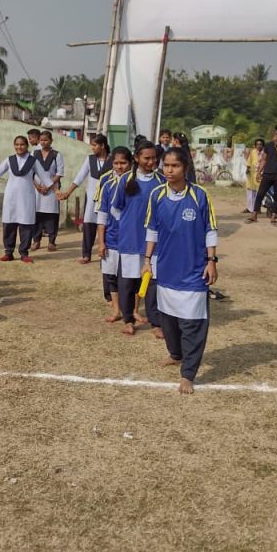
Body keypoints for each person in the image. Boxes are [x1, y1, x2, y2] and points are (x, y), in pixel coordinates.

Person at [144, 146, 218, 394]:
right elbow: (152, 229)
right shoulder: (157, 195)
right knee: (168, 319)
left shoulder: (200, 195)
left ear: (185, 167)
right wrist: (147, 259)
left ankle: (188, 373)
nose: (169, 170)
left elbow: (210, 230)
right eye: (166, 165)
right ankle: (175, 354)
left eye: (174, 166)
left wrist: (211, 260)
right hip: (166, 269)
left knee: (192, 325)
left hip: (194, 271)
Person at [109, 140, 161, 336]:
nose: (151, 162)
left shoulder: (161, 181)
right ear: (137, 158)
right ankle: (128, 320)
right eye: (147, 158)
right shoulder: (126, 180)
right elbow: (115, 209)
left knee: (152, 284)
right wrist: (128, 224)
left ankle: (156, 323)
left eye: (154, 158)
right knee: (128, 284)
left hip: (154, 243)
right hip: (130, 241)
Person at [0, 135, 52, 263]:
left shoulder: (33, 161)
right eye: (17, 144)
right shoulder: (9, 160)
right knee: (9, 224)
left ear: (27, 146)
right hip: (11, 197)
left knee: (26, 225)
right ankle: (8, 252)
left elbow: (45, 178)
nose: (19, 147)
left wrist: (57, 192)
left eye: (22, 144)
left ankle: (24, 253)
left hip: (26, 197)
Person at [59, 134, 112, 264]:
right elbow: (80, 177)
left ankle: (106, 252)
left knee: (107, 226)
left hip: (108, 198)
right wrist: (68, 192)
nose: (92, 148)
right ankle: (86, 254)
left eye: (94, 145)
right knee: (89, 225)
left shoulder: (112, 161)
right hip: (92, 199)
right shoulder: (90, 159)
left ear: (102, 146)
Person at [94, 146, 132, 322]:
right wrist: (101, 242)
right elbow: (102, 215)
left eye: (123, 163)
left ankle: (132, 311)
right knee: (111, 276)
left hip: (131, 239)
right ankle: (116, 310)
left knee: (131, 277)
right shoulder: (107, 185)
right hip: (111, 237)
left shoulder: (136, 185)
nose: (119, 166)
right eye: (116, 163)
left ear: (131, 163)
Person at [248, 124, 277, 225]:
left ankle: (273, 217)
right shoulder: (268, 145)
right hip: (267, 173)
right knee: (260, 194)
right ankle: (254, 215)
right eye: (276, 134)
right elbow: (264, 159)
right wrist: (259, 171)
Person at [31, 130, 63, 252]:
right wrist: (37, 186)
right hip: (37, 189)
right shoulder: (34, 153)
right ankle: (36, 240)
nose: (43, 142)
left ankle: (51, 241)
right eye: (41, 140)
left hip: (52, 189)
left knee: (52, 215)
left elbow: (59, 173)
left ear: (51, 141)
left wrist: (49, 185)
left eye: (46, 140)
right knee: (36, 215)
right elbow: (30, 172)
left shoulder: (56, 155)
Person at [244, 138, 265, 213]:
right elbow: (249, 161)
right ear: (255, 145)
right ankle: (250, 208)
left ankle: (257, 208)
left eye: (260, 144)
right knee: (250, 192)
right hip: (252, 174)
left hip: (261, 174)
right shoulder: (253, 152)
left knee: (259, 192)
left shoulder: (265, 153)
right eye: (257, 144)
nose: (259, 146)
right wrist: (248, 169)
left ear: (263, 145)